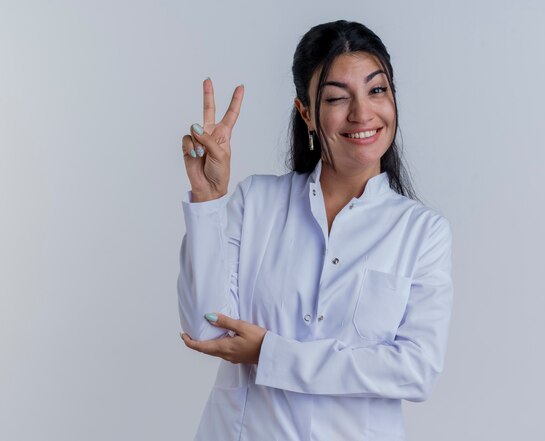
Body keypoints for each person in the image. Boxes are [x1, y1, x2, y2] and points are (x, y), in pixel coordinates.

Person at [178, 20, 453, 441]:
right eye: (338, 98)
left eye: (377, 90)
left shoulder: (422, 233)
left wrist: (272, 354)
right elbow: (207, 330)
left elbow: (414, 371)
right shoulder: (257, 202)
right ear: (305, 112)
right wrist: (208, 198)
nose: (362, 113)